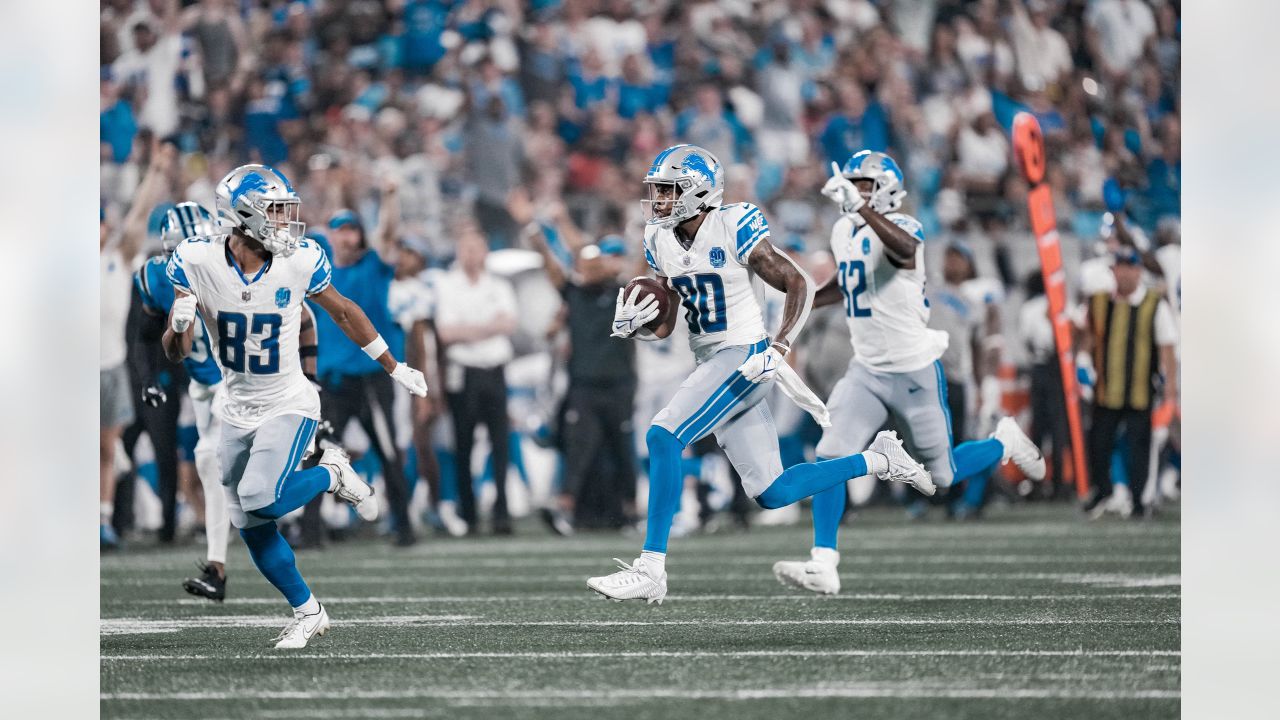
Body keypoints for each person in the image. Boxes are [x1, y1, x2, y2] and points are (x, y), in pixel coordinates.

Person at [588, 144, 934, 605]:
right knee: (772, 492)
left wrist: (780, 345)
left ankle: (651, 567)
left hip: (745, 354)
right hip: (711, 358)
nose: (660, 200)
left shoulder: (732, 224)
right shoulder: (658, 237)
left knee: (662, 436)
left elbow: (797, 283)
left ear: (698, 192)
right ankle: (880, 460)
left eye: (669, 190)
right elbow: (669, 320)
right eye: (658, 191)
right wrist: (639, 326)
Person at [162, 164, 427, 648]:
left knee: (261, 495)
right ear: (244, 215)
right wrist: (180, 323)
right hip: (236, 404)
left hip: (289, 398)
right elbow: (175, 351)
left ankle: (332, 471)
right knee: (247, 521)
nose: (287, 221)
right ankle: (309, 611)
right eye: (277, 211)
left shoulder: (300, 259)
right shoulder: (197, 260)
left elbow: (343, 312)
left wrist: (392, 365)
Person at [771, 151, 1048, 595]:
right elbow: (848, 283)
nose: (855, 193)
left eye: (864, 185)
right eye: (853, 184)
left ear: (885, 190)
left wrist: (862, 209)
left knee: (941, 476)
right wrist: (803, 306)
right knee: (832, 453)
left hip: (913, 370)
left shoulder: (907, 226)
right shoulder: (844, 229)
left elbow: (903, 250)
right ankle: (824, 560)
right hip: (866, 369)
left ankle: (1004, 441)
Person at [133, 202, 233, 599]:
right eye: (179, 253)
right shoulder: (154, 278)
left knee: (228, 470)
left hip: (246, 380)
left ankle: (327, 473)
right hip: (204, 386)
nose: (187, 262)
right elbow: (145, 336)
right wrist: (150, 378)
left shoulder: (234, 268)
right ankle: (217, 570)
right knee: (210, 463)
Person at [313, 182, 421, 548]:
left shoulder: (373, 264)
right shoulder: (318, 271)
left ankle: (404, 525)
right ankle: (310, 531)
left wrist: (390, 198)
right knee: (319, 453)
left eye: (352, 229)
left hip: (372, 378)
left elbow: (389, 235)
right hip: (333, 381)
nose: (347, 236)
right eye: (340, 229)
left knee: (389, 452)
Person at [535, 235, 638, 535]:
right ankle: (566, 509)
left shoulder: (623, 292)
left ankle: (631, 512)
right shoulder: (574, 294)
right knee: (578, 450)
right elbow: (555, 273)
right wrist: (541, 243)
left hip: (619, 384)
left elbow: (641, 272)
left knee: (623, 452)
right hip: (584, 385)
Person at [101, 143, 171, 549]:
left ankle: (107, 521)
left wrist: (154, 174)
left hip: (114, 364)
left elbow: (138, 217)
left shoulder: (113, 260)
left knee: (110, 450)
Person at [1079, 246, 1179, 519]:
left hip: (1140, 391)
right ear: (1113, 270)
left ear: (1138, 271)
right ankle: (1102, 491)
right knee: (1098, 443)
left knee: (1139, 448)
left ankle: (1139, 500)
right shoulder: (1099, 301)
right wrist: (1083, 361)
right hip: (1105, 389)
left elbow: (1167, 350)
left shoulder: (1154, 304)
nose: (1124, 273)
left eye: (1129, 267)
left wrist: (1170, 393)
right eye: (1119, 266)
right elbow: (1088, 335)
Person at [433, 225, 519, 535]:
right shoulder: (446, 284)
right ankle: (468, 512)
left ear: (485, 251)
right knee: (464, 445)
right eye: (466, 247)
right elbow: (446, 333)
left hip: (494, 370)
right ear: (459, 251)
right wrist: (487, 327)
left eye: (477, 247)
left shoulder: (498, 284)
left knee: (500, 445)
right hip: (464, 373)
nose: (472, 254)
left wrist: (468, 329)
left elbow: (508, 324)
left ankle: (501, 513)